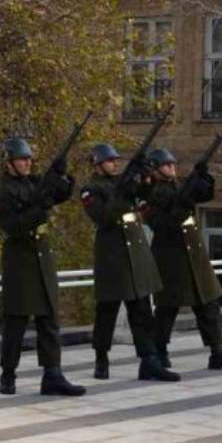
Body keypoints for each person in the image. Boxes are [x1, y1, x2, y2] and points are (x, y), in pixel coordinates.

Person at [0, 137, 86, 396]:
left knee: (49, 319)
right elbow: (14, 227)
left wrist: (61, 174)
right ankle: (8, 373)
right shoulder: (1, 193)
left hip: (42, 256)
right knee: (17, 320)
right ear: (9, 163)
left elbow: (61, 194)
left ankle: (53, 374)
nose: (28, 163)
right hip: (20, 260)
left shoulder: (36, 182)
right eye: (22, 159)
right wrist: (39, 210)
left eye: (29, 159)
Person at [79, 143, 178, 381]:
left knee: (142, 311)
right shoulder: (91, 190)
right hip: (112, 255)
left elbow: (146, 194)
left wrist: (144, 175)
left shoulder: (122, 182)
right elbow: (104, 217)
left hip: (135, 252)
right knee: (107, 311)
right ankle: (101, 357)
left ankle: (149, 360)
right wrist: (123, 191)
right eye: (110, 160)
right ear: (97, 164)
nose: (115, 163)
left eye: (116, 160)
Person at [141, 148, 222, 371]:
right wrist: (182, 204)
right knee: (168, 306)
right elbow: (163, 226)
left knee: (208, 303)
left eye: (173, 164)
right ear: (155, 169)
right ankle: (159, 350)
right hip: (171, 256)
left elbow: (204, 196)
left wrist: (202, 176)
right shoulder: (149, 194)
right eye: (166, 165)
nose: (172, 168)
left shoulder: (178, 186)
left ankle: (218, 351)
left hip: (194, 253)